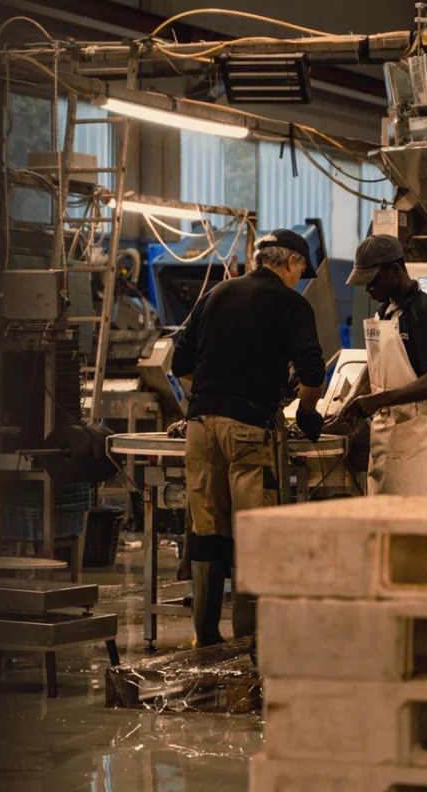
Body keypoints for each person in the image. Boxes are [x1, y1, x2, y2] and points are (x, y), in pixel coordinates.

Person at [171, 229, 326, 648]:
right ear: (291, 262)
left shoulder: (217, 293)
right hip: (250, 431)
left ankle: (205, 637)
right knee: (253, 529)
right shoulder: (291, 303)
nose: (300, 277)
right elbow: (313, 373)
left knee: (208, 527)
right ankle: (248, 640)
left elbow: (180, 361)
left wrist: (213, 394)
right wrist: (308, 411)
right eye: (301, 269)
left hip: (200, 427)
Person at [346, 234, 427, 496]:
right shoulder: (384, 312)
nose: (368, 289)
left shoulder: (424, 311)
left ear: (394, 271)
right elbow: (375, 365)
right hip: (387, 432)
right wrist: (352, 399)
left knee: (413, 519)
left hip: (417, 434)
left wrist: (380, 399)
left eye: (372, 281)